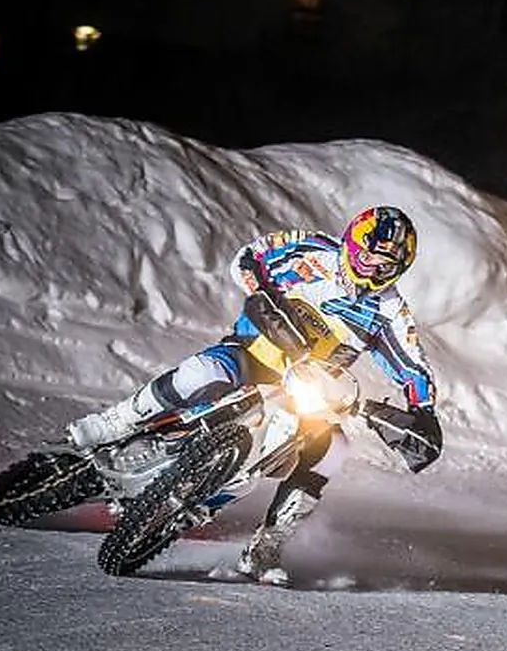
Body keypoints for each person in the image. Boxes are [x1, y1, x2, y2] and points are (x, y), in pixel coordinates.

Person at [66, 205, 443, 586]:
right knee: (202, 372)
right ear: (350, 244)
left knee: (336, 448)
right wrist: (260, 289)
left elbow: (413, 365)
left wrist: (422, 411)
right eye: (367, 258)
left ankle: (268, 545)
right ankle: (115, 421)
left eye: (385, 267)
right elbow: (249, 256)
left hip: (308, 385)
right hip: (253, 352)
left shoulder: (390, 310)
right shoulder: (309, 250)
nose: (372, 271)